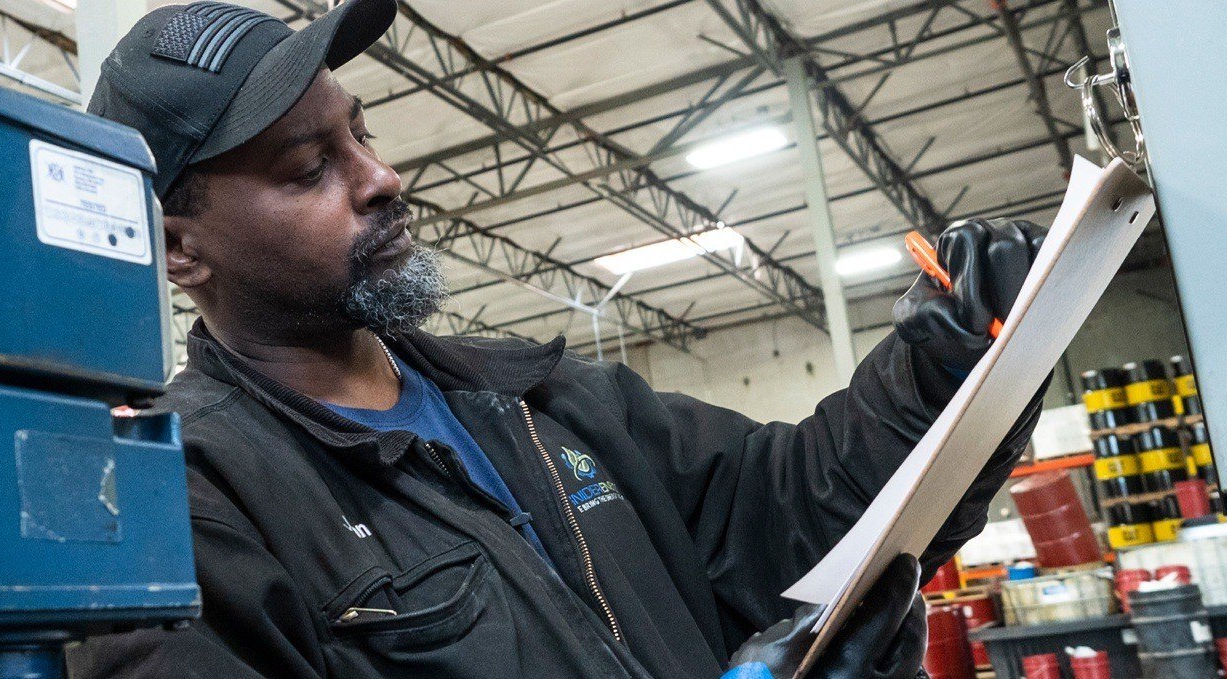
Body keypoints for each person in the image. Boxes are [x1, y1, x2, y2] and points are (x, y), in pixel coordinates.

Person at [70, 1, 1046, 676]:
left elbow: (788, 511)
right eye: (309, 167)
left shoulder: (548, 403)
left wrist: (948, 364)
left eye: (361, 133)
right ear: (178, 246)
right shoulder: (188, 507)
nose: (381, 177)